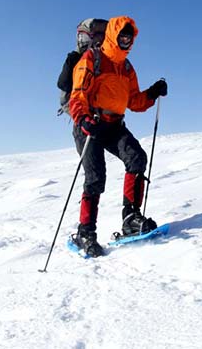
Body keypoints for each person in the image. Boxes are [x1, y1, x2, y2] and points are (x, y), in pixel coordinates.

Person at [68, 15, 168, 257]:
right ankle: (85, 233)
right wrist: (83, 119)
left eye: (129, 37)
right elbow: (77, 95)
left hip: (114, 125)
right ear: (113, 34)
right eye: (122, 36)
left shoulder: (126, 67)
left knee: (136, 158)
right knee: (95, 178)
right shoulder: (91, 59)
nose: (125, 40)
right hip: (90, 125)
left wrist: (152, 94)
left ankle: (131, 218)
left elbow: (133, 101)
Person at [57, 18, 108, 116]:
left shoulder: (102, 61)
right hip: (79, 108)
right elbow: (63, 84)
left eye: (102, 38)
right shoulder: (75, 58)